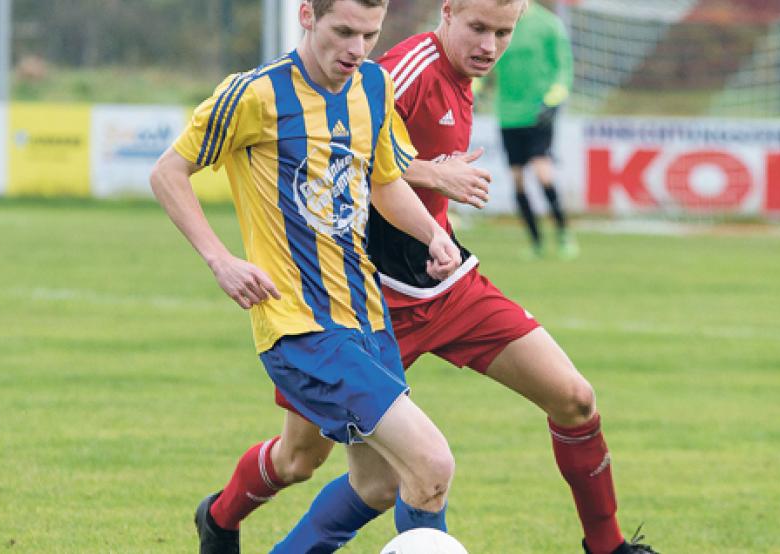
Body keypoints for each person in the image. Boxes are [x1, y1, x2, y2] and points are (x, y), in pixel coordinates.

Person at [200, 1, 657, 553]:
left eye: (503, 33)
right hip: (362, 301)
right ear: (447, 13)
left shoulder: (467, 77)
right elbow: (342, 146)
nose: (490, 45)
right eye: (478, 29)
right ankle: (221, 519)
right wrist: (433, 172)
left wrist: (437, 228)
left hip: (447, 285)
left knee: (575, 399)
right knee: (304, 461)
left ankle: (608, 548)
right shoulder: (402, 68)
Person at [148, 1, 466, 553]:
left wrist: (434, 236)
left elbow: (386, 183)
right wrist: (220, 259)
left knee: (379, 483)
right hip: (299, 326)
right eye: (343, 31)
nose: (357, 49)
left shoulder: (373, 87)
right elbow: (168, 172)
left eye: (369, 35)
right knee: (431, 462)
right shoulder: (254, 94)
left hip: (366, 318)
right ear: (307, 15)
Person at [492, 0, 577, 260]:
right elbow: (483, 65)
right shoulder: (496, 21)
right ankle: (536, 242)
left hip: (538, 112)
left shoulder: (549, 24)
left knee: (542, 172)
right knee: (517, 180)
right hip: (507, 115)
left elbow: (564, 68)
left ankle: (563, 233)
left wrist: (554, 98)